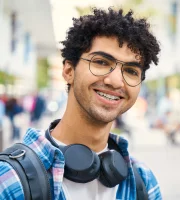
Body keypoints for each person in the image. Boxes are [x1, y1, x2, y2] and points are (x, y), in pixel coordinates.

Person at [0, 7, 161, 200]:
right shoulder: (9, 182)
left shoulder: (143, 181)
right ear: (69, 71)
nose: (116, 81)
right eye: (101, 62)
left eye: (131, 71)